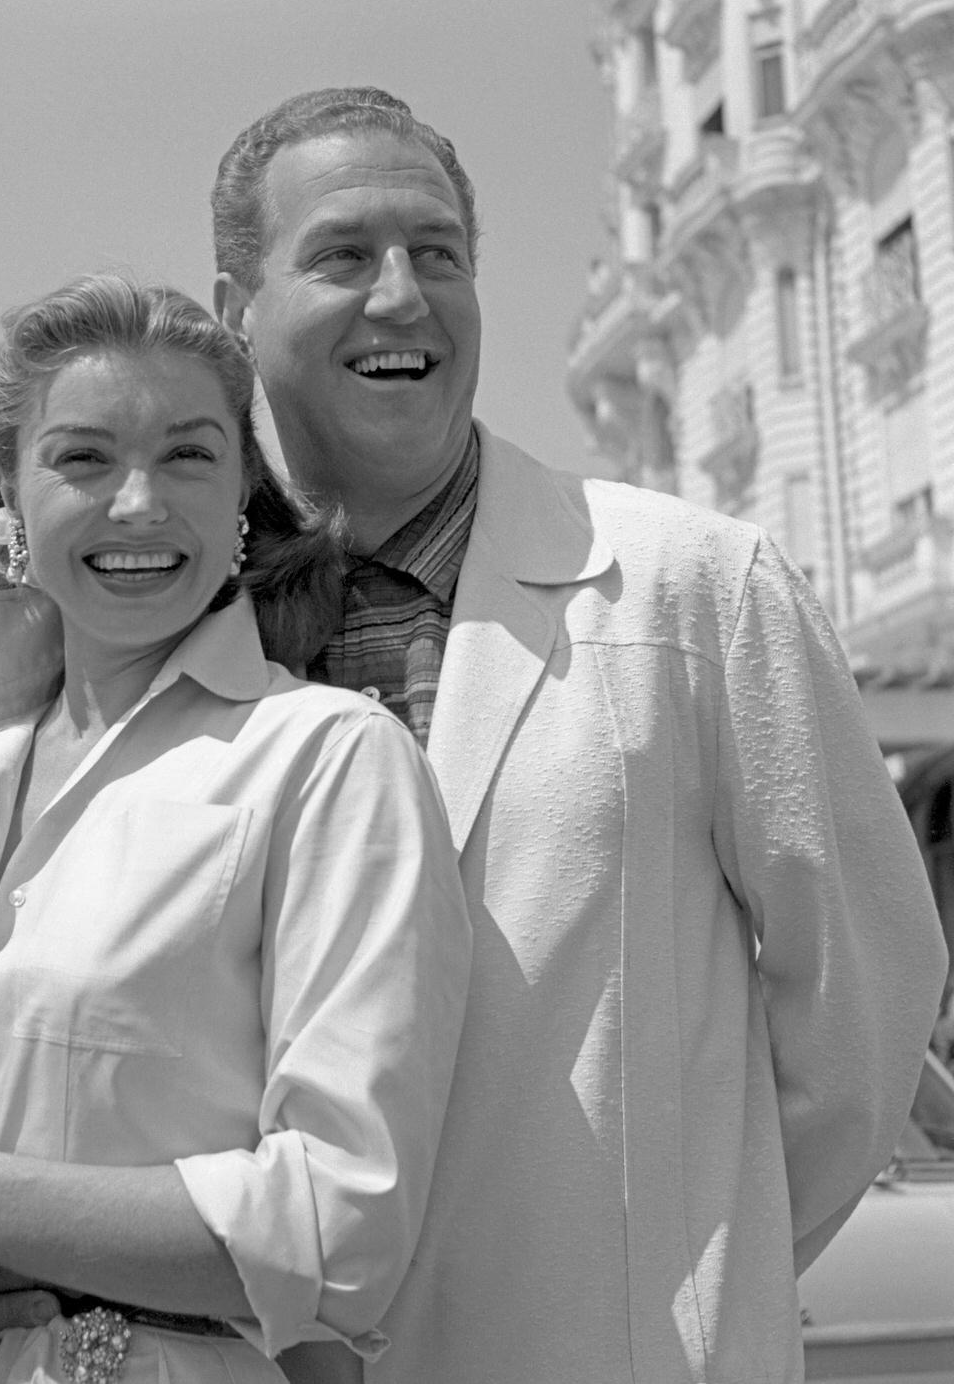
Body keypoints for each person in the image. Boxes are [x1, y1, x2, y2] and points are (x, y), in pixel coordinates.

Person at [206, 87, 951, 1383]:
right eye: (342, 255)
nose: (401, 295)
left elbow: (865, 1009)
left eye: (439, 253)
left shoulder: (693, 589)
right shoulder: (188, 649)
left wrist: (696, 1278)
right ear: (235, 313)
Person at [0, 275, 473, 1383]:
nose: (136, 504)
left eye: (187, 456)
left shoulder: (322, 759)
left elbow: (341, 1219)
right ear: (7, 513)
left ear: (241, 513)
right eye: (81, 457)